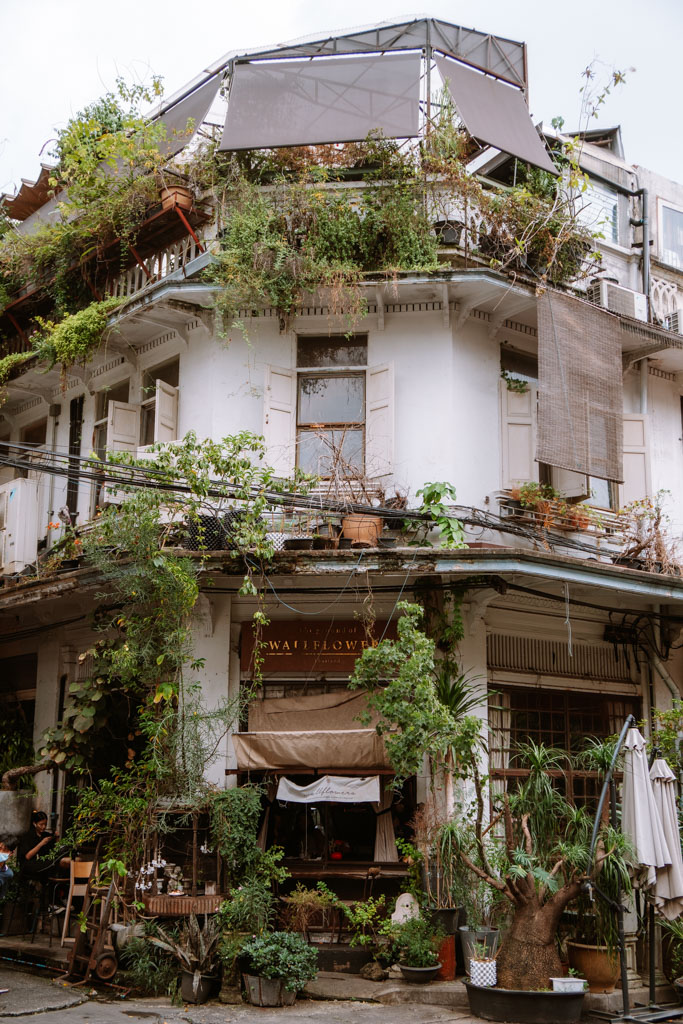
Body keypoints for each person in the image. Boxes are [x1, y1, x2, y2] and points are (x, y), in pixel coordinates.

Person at [17, 811, 71, 881]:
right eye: (41, 824)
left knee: (59, 858)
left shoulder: (46, 835)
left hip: (44, 861)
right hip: (30, 864)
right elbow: (27, 856)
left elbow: (54, 851)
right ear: (34, 824)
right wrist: (41, 843)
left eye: (45, 824)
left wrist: (57, 838)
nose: (44, 827)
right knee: (54, 863)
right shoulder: (27, 836)